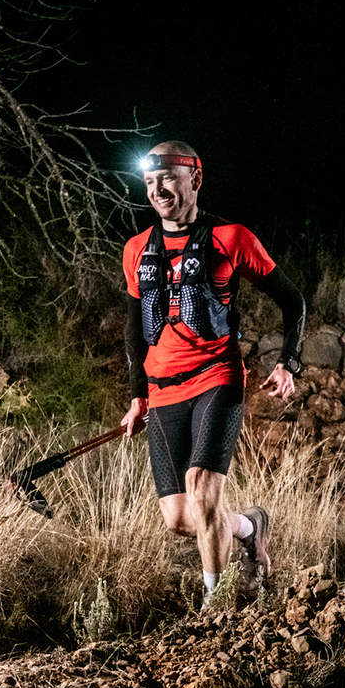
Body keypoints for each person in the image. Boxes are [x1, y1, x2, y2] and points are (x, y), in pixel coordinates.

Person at [119, 141, 307, 606]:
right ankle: (249, 527)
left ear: (195, 179)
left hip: (216, 377)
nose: (157, 189)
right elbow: (133, 329)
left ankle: (214, 607)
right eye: (149, 182)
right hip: (163, 391)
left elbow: (292, 301)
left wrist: (288, 362)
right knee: (180, 518)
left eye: (167, 178)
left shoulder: (231, 237)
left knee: (203, 490)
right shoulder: (136, 249)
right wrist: (138, 396)